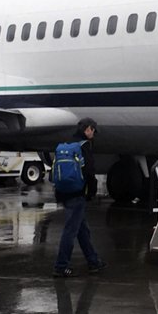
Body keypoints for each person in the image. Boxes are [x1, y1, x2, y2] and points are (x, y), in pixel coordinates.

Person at [53, 117, 106, 277]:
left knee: (82, 230)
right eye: (93, 131)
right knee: (70, 230)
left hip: (63, 192)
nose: (94, 134)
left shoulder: (68, 144)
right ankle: (61, 266)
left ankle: (93, 261)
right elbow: (89, 172)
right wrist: (91, 192)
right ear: (88, 129)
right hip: (77, 193)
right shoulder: (84, 146)